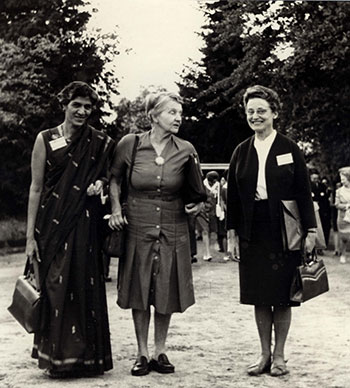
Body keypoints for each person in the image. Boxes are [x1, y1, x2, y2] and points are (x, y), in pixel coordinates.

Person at [108, 92, 203, 376]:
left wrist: (196, 204)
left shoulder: (186, 149)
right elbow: (113, 178)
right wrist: (115, 209)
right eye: (173, 112)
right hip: (138, 223)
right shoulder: (131, 144)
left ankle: (160, 351)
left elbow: (197, 192)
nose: (178, 118)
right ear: (154, 116)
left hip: (173, 225)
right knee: (139, 286)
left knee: (166, 285)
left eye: (180, 113)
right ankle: (141, 352)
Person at [25, 81, 114, 378]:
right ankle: (56, 359)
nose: (82, 111)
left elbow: (105, 177)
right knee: (55, 286)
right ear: (65, 104)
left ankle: (87, 360)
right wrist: (29, 238)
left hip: (84, 224)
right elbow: (36, 188)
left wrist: (99, 185)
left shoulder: (100, 141)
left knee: (83, 284)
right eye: (77, 104)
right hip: (51, 225)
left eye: (88, 107)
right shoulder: (46, 139)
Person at [226, 85, 316, 377]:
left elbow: (304, 192)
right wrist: (232, 234)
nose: (255, 116)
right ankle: (264, 354)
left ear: (274, 113)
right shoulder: (241, 151)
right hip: (253, 229)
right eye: (250, 111)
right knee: (259, 294)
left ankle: (280, 356)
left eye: (261, 111)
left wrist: (311, 230)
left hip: (285, 228)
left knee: (282, 294)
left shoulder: (290, 149)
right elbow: (234, 198)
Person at [335, 167, 350, 264]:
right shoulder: (339, 191)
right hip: (343, 216)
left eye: (343, 179)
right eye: (341, 179)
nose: (341, 181)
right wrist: (347, 206)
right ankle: (343, 254)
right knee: (344, 237)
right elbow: (336, 204)